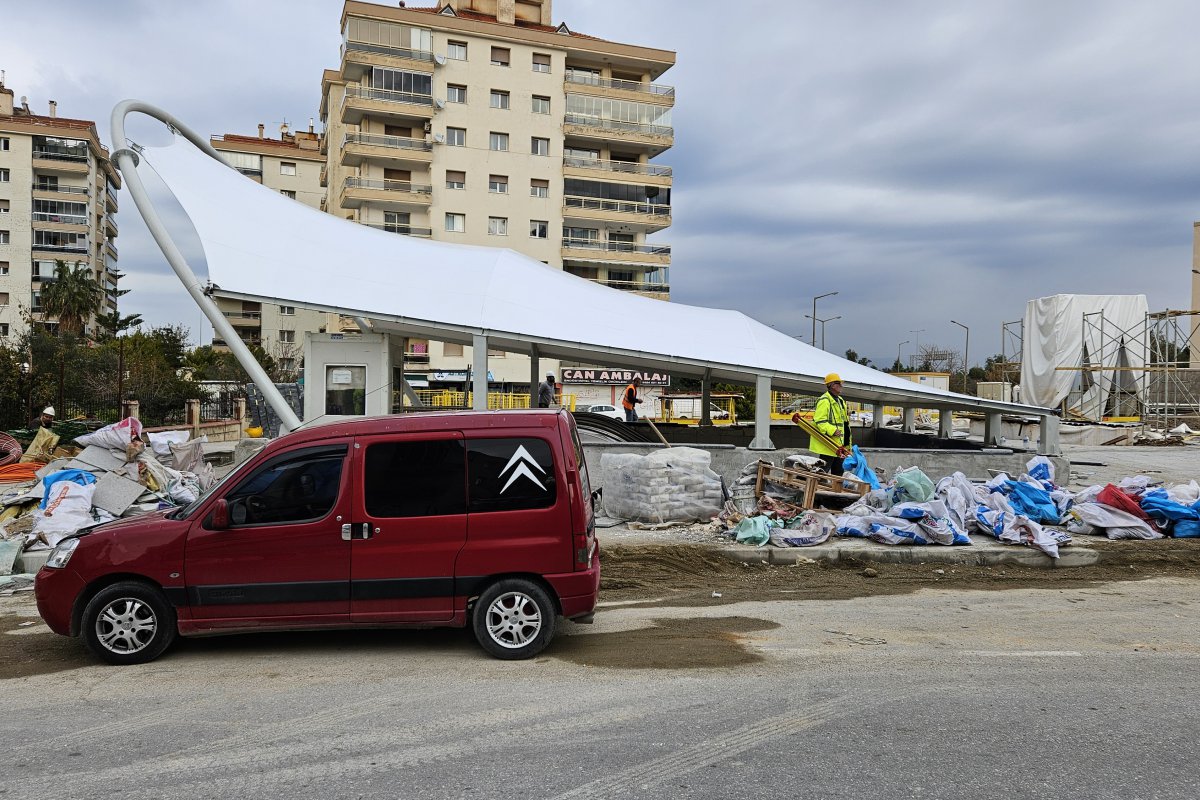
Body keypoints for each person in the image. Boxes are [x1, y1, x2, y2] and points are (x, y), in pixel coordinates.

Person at [802, 374, 851, 475]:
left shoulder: (840, 400)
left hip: (839, 444)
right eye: (839, 383)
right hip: (829, 443)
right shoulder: (824, 400)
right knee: (822, 471)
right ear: (832, 385)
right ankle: (814, 488)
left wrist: (847, 444)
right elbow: (819, 420)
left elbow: (844, 423)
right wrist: (832, 430)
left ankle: (835, 490)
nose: (841, 385)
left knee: (838, 471)